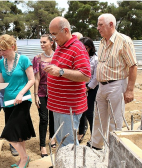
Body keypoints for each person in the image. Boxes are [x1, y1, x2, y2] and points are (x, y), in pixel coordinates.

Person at [91, 13, 137, 150]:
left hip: (117, 85)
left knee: (115, 120)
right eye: (98, 24)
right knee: (98, 118)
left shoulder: (124, 40)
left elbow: (133, 66)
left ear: (111, 25)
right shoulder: (102, 41)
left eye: (100, 25)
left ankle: (114, 149)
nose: (98, 28)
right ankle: (96, 147)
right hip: (102, 86)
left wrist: (129, 90)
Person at [44, 16, 91, 147]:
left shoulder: (77, 48)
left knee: (68, 143)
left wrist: (60, 72)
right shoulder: (61, 46)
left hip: (69, 106)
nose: (53, 38)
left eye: (54, 34)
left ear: (65, 30)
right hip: (59, 105)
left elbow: (86, 75)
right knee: (61, 140)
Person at [0, 34, 35, 168]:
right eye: (0, 50)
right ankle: (23, 160)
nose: (1, 53)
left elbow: (32, 80)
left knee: (10, 133)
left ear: (12, 47)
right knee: (19, 133)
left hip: (23, 100)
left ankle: (24, 157)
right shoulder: (1, 63)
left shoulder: (24, 60)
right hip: (8, 102)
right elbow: (1, 83)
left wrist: (21, 93)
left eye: (4, 50)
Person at [32, 34, 56, 158]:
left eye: (44, 42)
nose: (41, 44)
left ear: (51, 43)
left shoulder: (58, 56)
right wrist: (35, 95)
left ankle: (52, 138)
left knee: (53, 117)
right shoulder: (37, 58)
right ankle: (42, 145)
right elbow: (36, 78)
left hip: (55, 92)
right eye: (40, 42)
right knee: (44, 119)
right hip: (41, 92)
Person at [77, 37, 98, 143]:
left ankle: (94, 136)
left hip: (91, 88)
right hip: (80, 87)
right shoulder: (78, 57)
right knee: (80, 111)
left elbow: (96, 77)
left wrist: (88, 87)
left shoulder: (95, 59)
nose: (82, 50)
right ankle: (81, 132)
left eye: (84, 48)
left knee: (89, 112)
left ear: (90, 48)